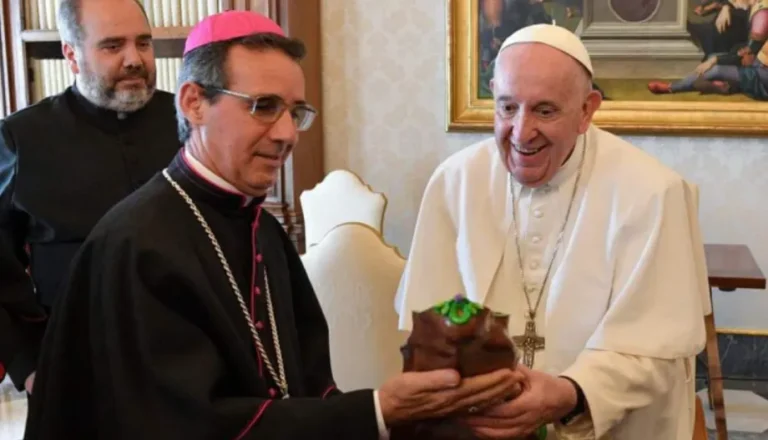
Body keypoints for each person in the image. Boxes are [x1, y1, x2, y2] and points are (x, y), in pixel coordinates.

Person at [23, 11, 523, 440]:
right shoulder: (137, 246)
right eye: (262, 106)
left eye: (295, 111)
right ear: (194, 102)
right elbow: (186, 426)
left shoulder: (261, 229)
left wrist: (407, 413)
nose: (286, 134)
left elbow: (303, 385)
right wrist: (375, 412)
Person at [395, 24, 710, 440]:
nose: (522, 132)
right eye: (507, 108)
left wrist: (570, 392)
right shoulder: (455, 181)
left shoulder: (653, 192)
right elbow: (429, 323)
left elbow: (655, 349)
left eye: (545, 111)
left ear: (586, 110)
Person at [0, 0, 180, 395]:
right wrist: (28, 363)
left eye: (143, 43)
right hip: (73, 367)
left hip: (187, 365)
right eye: (113, 46)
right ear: (72, 55)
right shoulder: (21, 137)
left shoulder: (190, 123)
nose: (135, 59)